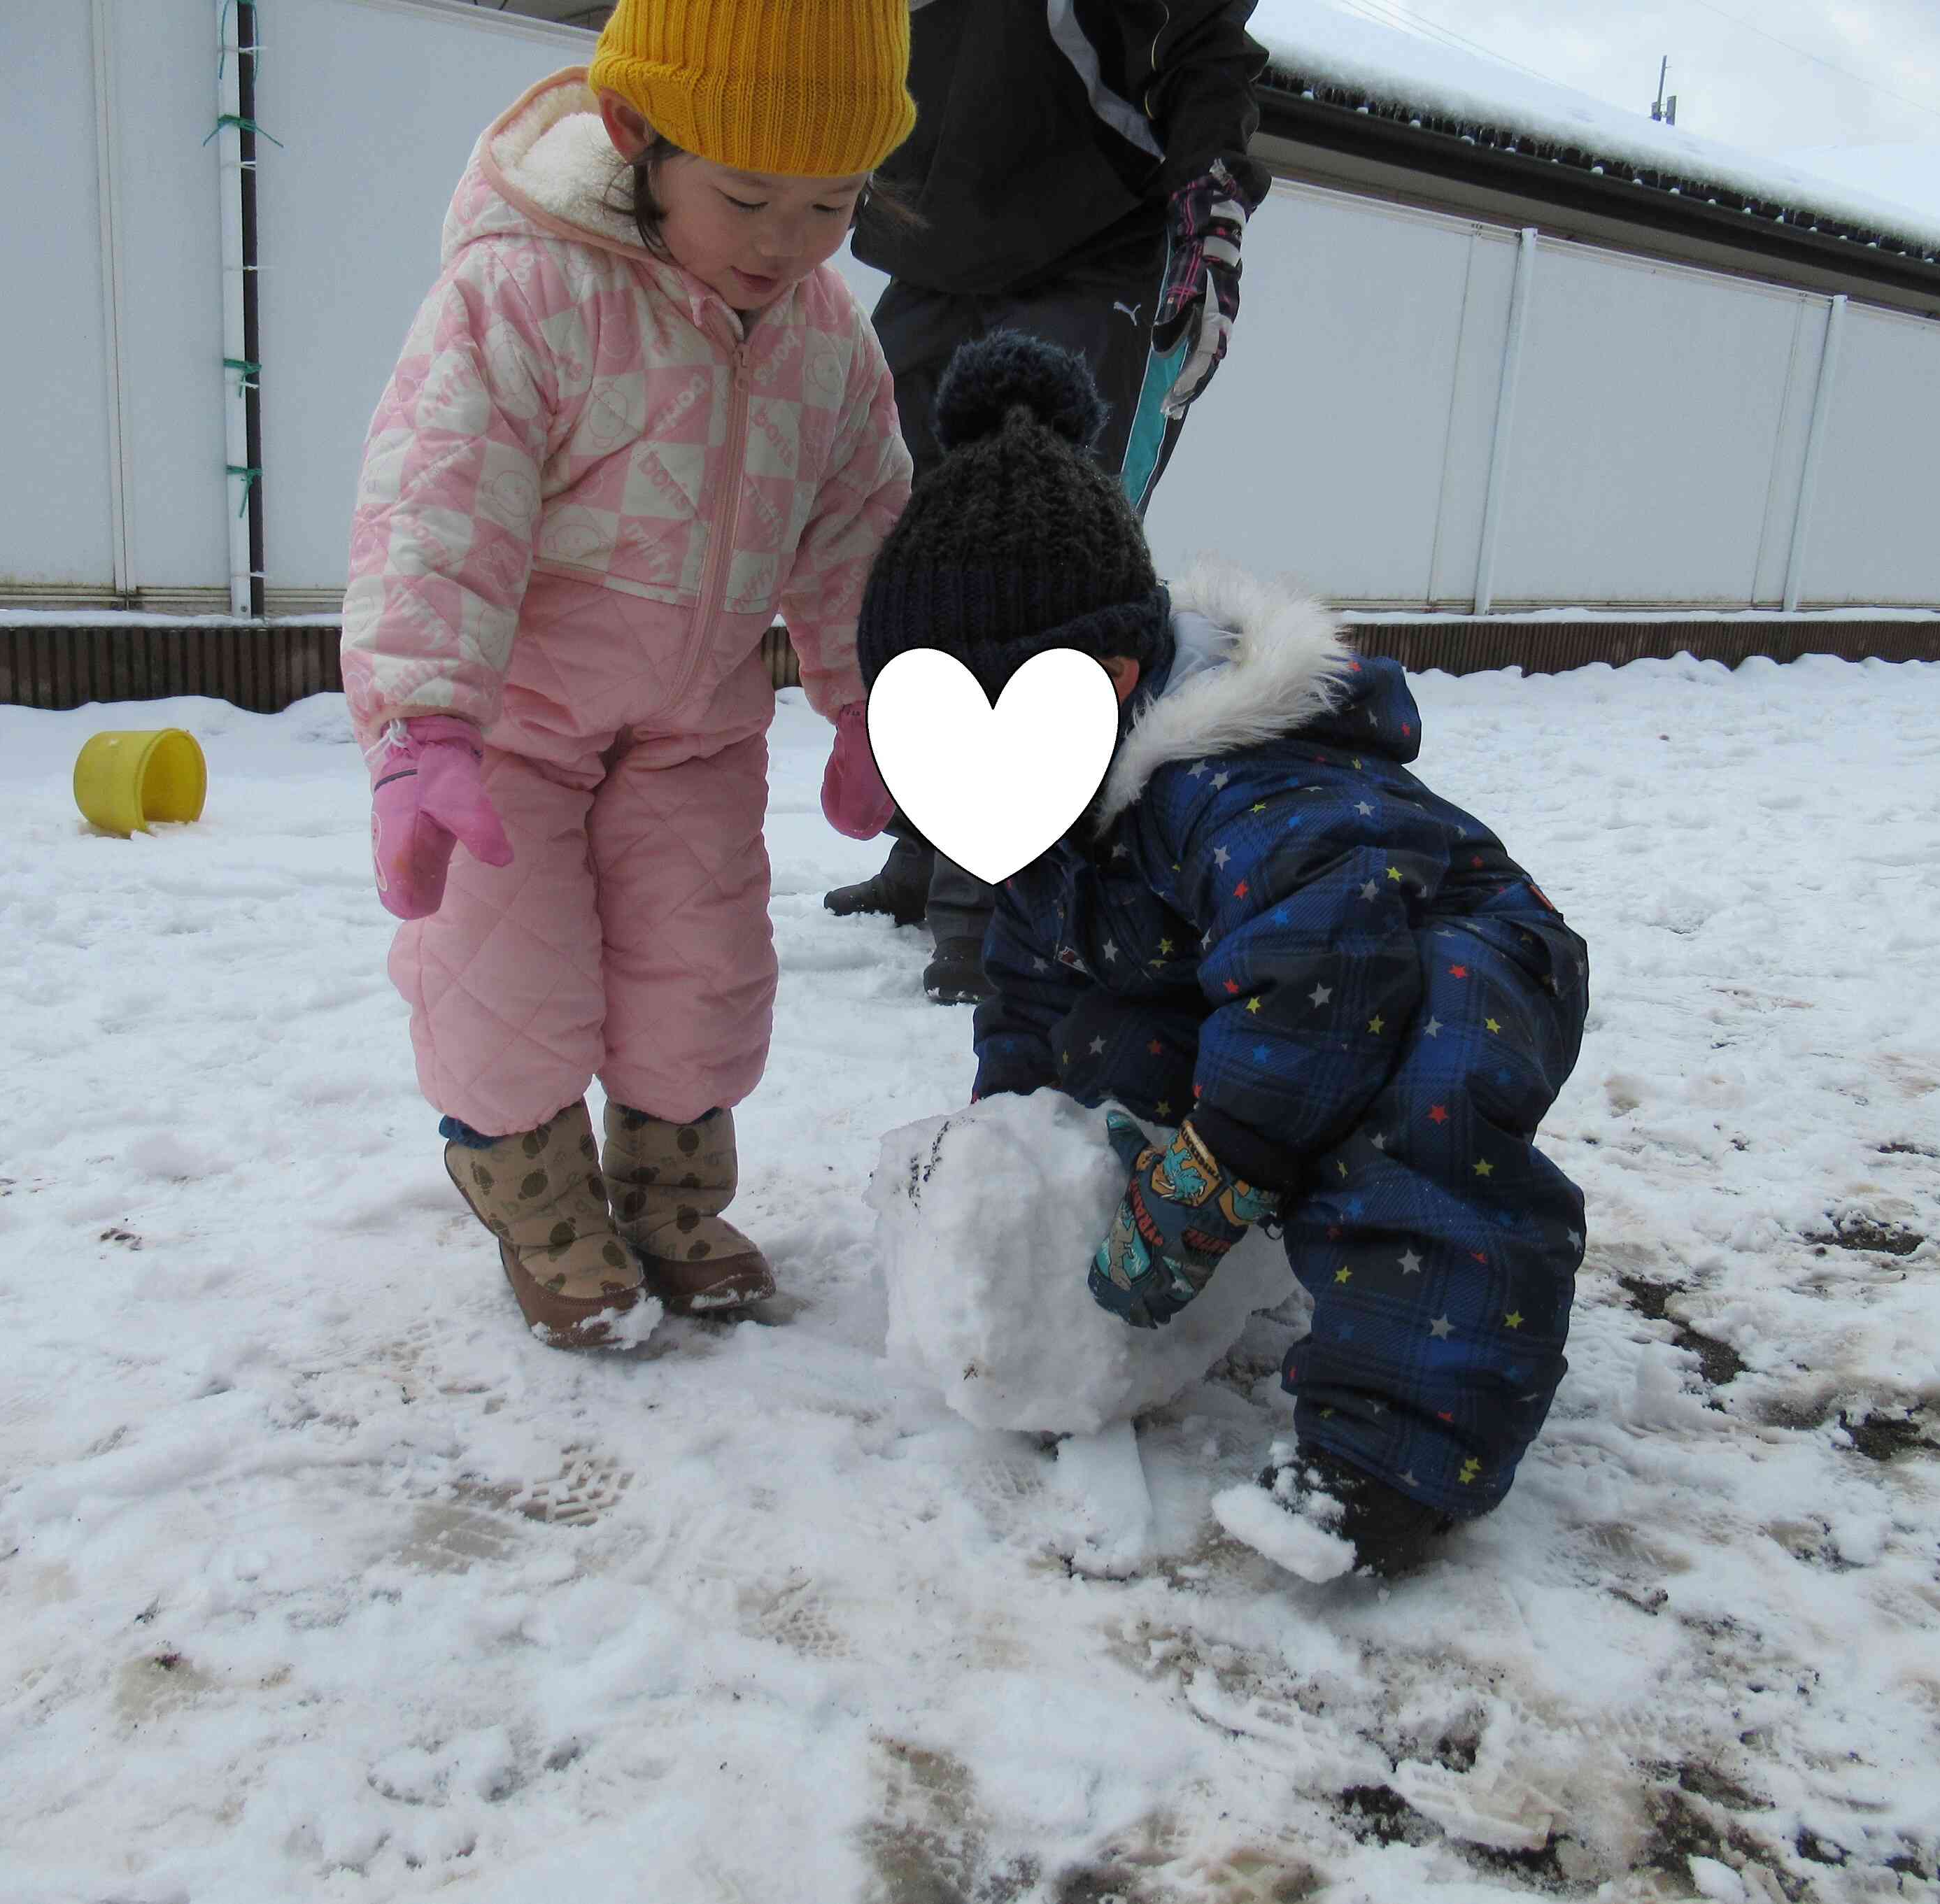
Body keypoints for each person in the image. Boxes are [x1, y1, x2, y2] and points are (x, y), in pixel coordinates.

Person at [854, 334, 1591, 1579]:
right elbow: (1037, 980)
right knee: (1118, 1045)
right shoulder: (1052, 798)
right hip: (1256, 972)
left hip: (1443, 956)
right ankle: (1216, 1219)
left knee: (1405, 1124)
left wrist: (1220, 1163)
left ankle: (1392, 1453)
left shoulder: (1245, 786)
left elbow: (1324, 974)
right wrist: (1020, 1129)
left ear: (1108, 677)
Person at [341, 0, 912, 1351]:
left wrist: (863, 695)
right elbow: (436, 505)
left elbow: (858, 524)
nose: (790, 240)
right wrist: (425, 723)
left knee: (701, 969)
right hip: (510, 734)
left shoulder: (826, 335)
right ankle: (537, 1200)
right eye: (750, 198)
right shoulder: (523, 291)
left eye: (834, 203)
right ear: (634, 136)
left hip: (696, 723)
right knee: (508, 970)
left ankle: (669, 1199)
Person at [824, 0, 1274, 1007]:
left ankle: (995, 900)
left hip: (1095, 227)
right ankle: (922, 842)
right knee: (910, 551)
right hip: (925, 229)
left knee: (1042, 563)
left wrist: (1211, 190)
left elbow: (1202, 37)